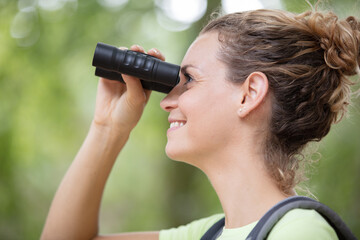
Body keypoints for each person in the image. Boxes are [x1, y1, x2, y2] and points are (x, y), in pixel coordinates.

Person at [41, 6, 360, 240]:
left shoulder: (299, 232)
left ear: (249, 94)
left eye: (189, 79)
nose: (165, 101)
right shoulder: (208, 234)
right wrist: (108, 127)